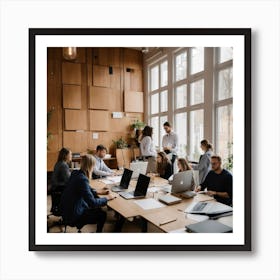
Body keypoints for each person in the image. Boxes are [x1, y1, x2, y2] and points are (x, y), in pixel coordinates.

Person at [60, 154, 116, 232]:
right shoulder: (83, 179)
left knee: (97, 206)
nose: (93, 169)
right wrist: (107, 198)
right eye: (93, 166)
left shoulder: (75, 173)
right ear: (90, 166)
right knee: (102, 214)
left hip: (66, 211)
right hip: (74, 215)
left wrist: (98, 191)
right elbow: (92, 202)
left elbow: (85, 189)